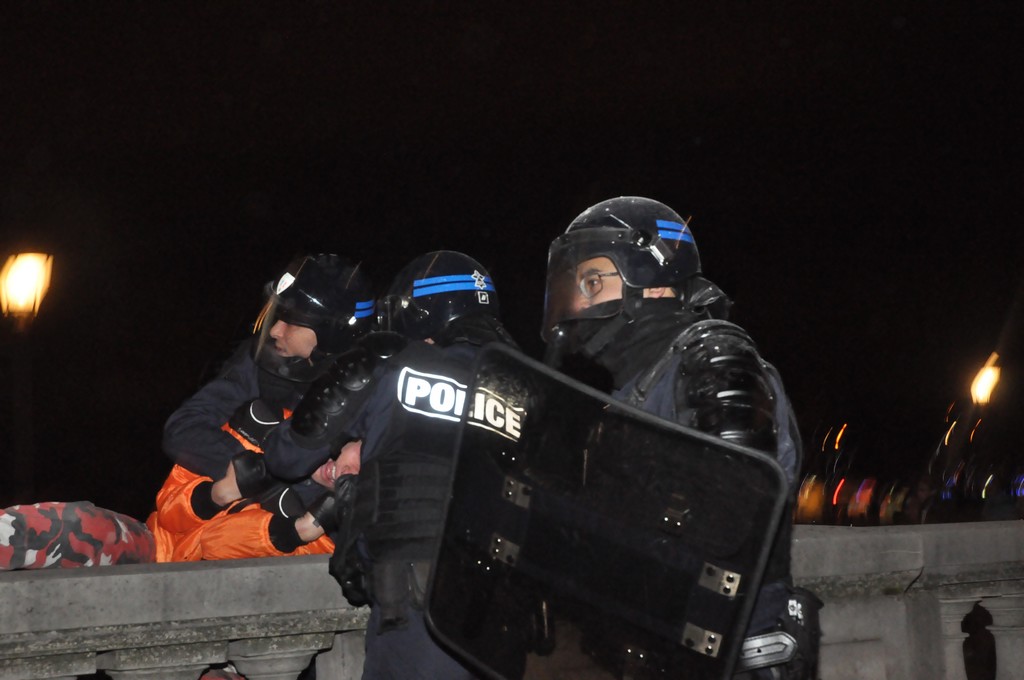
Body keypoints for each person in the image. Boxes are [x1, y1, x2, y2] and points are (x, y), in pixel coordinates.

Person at [541, 196, 820, 680]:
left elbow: (732, 519)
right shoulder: (631, 390)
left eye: (592, 282)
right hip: (653, 653)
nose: (580, 302)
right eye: (575, 285)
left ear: (647, 279)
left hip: (727, 657)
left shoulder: (714, 360)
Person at [264, 250, 517, 680]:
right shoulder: (528, 383)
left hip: (416, 611)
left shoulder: (390, 360)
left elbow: (287, 456)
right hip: (507, 619)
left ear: (418, 310)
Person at [146, 253, 375, 562]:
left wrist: (299, 494)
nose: (276, 331)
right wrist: (270, 479)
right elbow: (183, 429)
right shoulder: (260, 364)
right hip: (178, 540)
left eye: (291, 322)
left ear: (332, 333)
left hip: (273, 556)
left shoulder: (375, 391)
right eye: (276, 316)